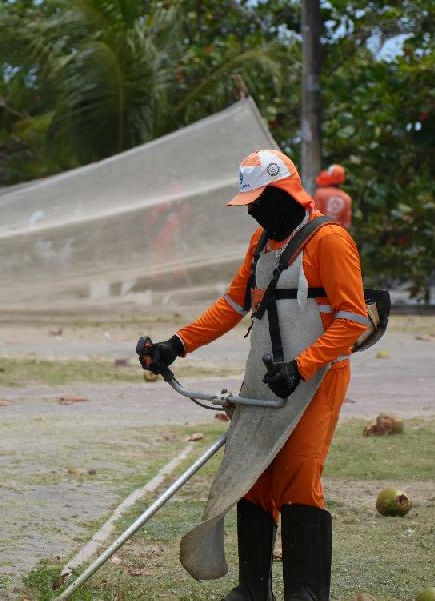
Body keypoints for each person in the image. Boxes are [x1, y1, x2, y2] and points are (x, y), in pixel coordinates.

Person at [140, 150, 368, 600]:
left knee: (297, 477)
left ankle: (305, 593)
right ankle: (252, 589)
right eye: (249, 203)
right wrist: (176, 345)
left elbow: (353, 320)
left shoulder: (330, 240)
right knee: (252, 475)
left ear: (285, 193)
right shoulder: (261, 244)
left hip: (318, 379)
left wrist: (301, 366)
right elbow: (232, 305)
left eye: (260, 201)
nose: (253, 212)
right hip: (265, 380)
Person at [312, 164, 352, 229]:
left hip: (320, 232)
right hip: (338, 233)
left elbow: (313, 217)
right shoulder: (346, 198)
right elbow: (347, 224)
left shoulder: (320, 193)